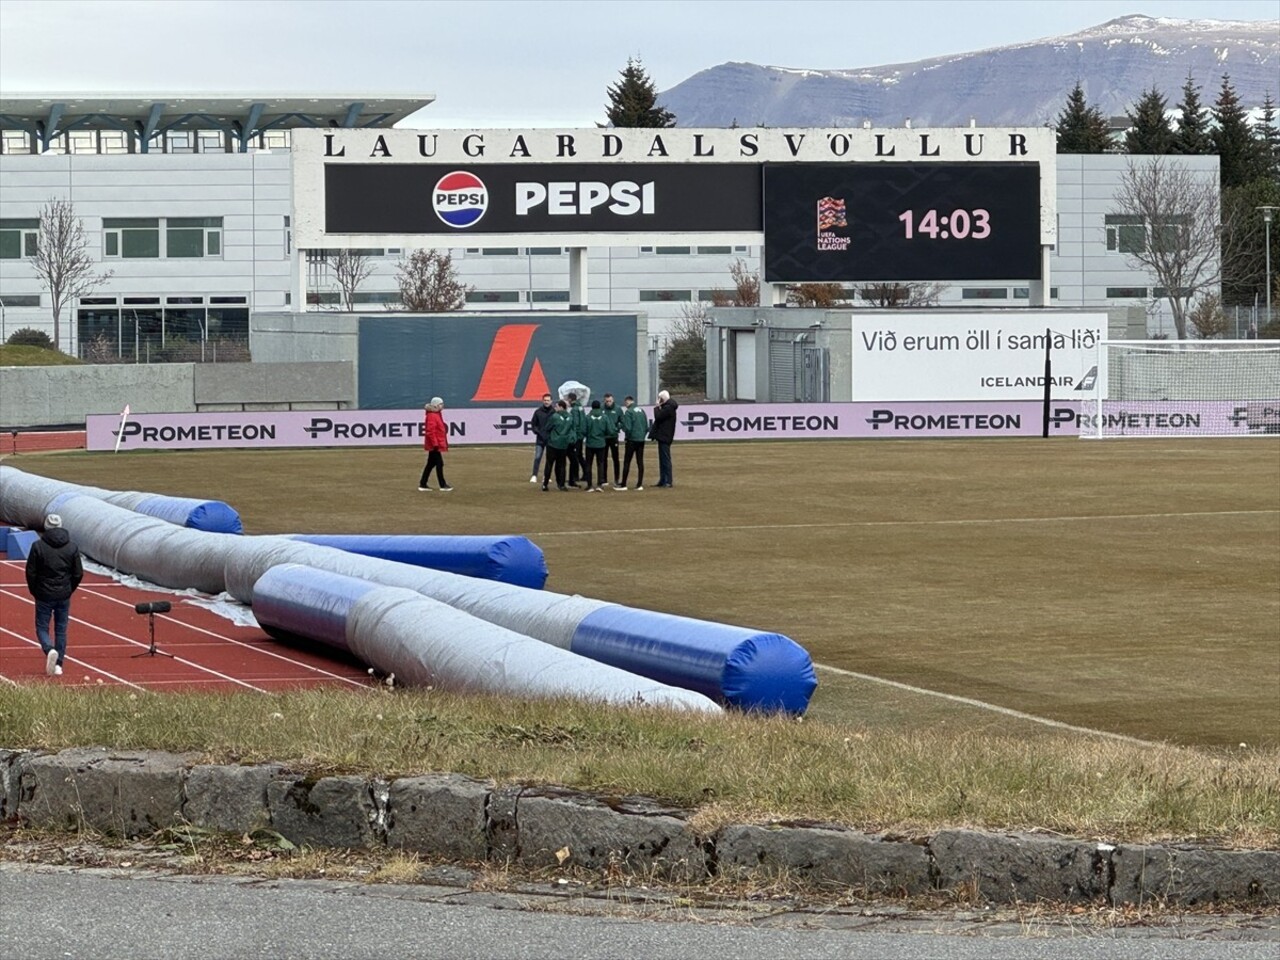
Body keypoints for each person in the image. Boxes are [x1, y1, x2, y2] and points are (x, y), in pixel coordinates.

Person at [25, 513, 84, 677]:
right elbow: (78, 573)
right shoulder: (72, 547)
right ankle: (59, 665)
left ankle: (49, 648)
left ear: (46, 527)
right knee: (61, 629)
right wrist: (69, 588)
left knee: (42, 627)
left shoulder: (38, 546)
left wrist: (35, 591)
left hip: (43, 594)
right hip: (64, 594)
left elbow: (31, 572)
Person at [418, 397, 453, 492]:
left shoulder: (436, 414)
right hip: (435, 445)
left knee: (430, 464)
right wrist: (435, 444)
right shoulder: (432, 416)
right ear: (436, 405)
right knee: (439, 463)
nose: (443, 406)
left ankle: (423, 483)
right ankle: (442, 484)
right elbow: (430, 431)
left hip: (435, 444)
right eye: (441, 404)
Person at [617, 395, 648, 491]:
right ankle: (639, 484)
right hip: (641, 440)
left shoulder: (629, 412)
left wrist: (621, 427)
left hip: (632, 440)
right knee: (640, 461)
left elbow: (628, 428)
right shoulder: (642, 411)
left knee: (627, 461)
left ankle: (624, 484)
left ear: (627, 402)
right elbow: (646, 426)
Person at [541, 399, 574, 491]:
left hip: (553, 444)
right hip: (563, 444)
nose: (555, 408)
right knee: (562, 465)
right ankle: (561, 484)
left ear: (561, 407)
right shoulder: (570, 417)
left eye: (557, 406)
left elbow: (548, 427)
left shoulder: (554, 417)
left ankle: (545, 484)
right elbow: (572, 429)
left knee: (549, 464)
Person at [649, 389, 679, 488]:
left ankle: (668, 481)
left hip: (665, 436)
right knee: (662, 459)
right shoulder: (668, 407)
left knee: (665, 459)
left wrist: (657, 407)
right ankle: (663, 480)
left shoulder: (668, 408)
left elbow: (658, 416)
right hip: (663, 436)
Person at [583, 399, 609, 492]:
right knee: (600, 464)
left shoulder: (587, 417)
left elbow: (584, 430)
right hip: (601, 444)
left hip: (590, 444)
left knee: (588, 464)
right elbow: (609, 429)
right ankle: (600, 484)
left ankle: (589, 485)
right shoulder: (604, 417)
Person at [528, 393, 554, 483]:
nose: (546, 402)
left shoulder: (554, 412)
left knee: (549, 459)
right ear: (542, 401)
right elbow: (533, 424)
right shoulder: (538, 412)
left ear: (551, 401)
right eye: (545, 400)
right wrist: (537, 432)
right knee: (537, 457)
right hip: (540, 439)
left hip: (551, 439)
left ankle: (546, 476)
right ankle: (534, 475)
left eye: (548, 400)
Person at [600, 393, 623, 487]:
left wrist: (617, 428)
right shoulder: (601, 408)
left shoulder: (618, 409)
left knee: (615, 458)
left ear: (613, 400)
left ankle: (617, 479)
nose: (608, 403)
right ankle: (603, 479)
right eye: (607, 401)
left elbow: (622, 421)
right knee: (603, 458)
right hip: (604, 438)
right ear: (604, 401)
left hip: (613, 437)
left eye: (610, 401)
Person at [565, 391, 587, 488]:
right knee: (579, 455)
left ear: (570, 399)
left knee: (575, 456)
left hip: (577, 435)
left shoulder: (574, 409)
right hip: (581, 434)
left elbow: (575, 423)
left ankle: (575, 476)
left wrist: (574, 434)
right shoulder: (581, 407)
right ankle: (584, 473)